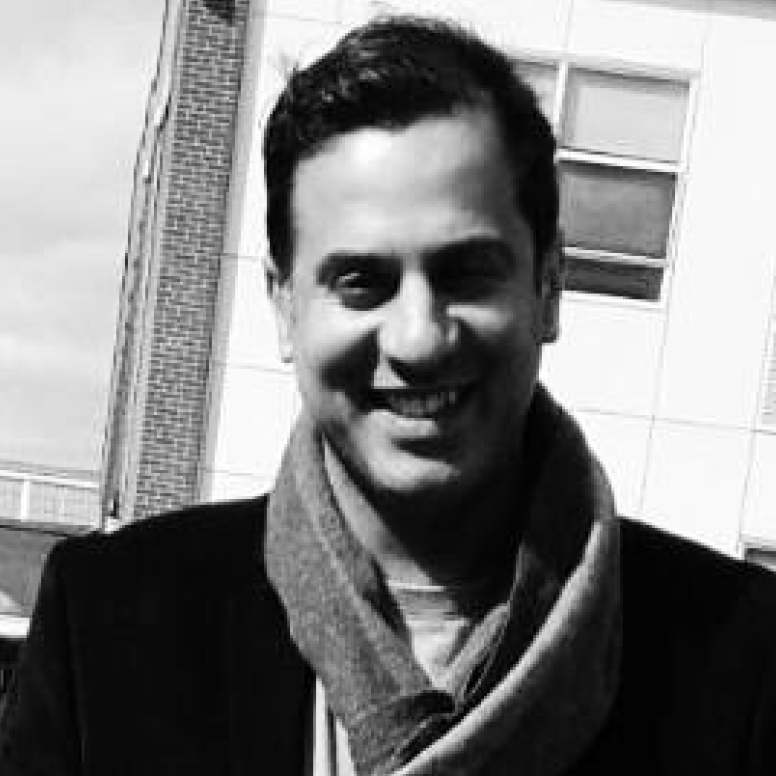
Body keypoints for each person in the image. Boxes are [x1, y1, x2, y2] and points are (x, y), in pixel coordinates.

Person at [1, 15, 775, 776]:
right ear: (284, 305)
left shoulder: (742, 659)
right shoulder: (105, 627)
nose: (418, 339)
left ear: (549, 288)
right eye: (361, 281)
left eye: (467, 273)